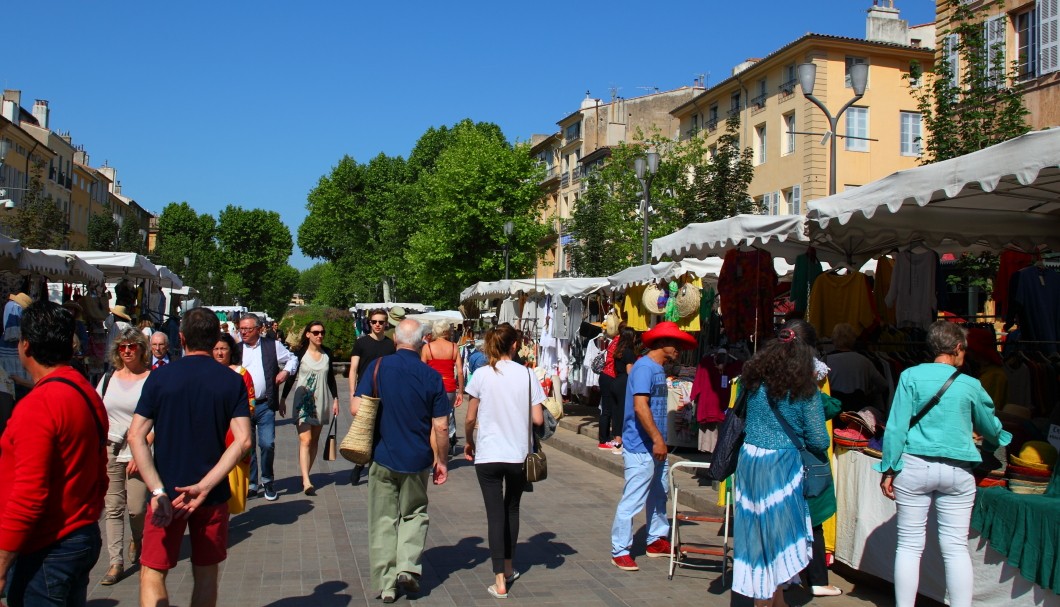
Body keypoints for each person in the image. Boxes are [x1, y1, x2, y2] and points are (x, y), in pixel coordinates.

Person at [877, 321, 1010, 607]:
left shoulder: (910, 376)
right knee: (955, 548)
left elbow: (896, 428)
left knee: (909, 546)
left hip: (913, 468)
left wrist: (889, 468)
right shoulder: (971, 384)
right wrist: (995, 440)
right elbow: (992, 430)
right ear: (958, 348)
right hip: (957, 471)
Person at [128, 307, 252, 607]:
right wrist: (207, 484)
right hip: (210, 495)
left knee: (152, 571)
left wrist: (156, 489)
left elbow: (136, 436)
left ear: (181, 338)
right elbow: (244, 440)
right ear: (215, 341)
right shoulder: (230, 380)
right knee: (206, 573)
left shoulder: (160, 378)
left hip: (167, 493)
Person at [0, 301, 108, 606]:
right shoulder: (84, 391)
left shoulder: (40, 404)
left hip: (48, 546)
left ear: (26, 346)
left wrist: (2, 562)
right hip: (78, 535)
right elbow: (100, 470)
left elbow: (29, 493)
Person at [732, 325, 831, 606]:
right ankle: (768, 600)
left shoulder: (750, 381)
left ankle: (771, 597)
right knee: (779, 535)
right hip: (782, 464)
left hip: (750, 459)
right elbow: (818, 438)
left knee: (756, 533)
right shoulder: (804, 389)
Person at [354, 319, 448, 603]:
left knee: (383, 519)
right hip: (417, 458)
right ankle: (407, 566)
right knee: (415, 512)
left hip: (383, 455)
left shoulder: (378, 366)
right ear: (422, 342)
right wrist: (441, 460)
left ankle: (386, 584)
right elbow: (441, 426)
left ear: (396, 339)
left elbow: (357, 407)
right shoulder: (431, 376)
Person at [464, 323, 546, 599]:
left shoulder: (481, 374)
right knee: (512, 509)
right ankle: (509, 568)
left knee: (494, 514)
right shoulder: (526, 374)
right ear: (514, 345)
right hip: (518, 455)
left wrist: (469, 441)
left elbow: (470, 417)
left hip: (488, 454)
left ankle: (499, 578)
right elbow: (537, 419)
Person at [610, 321, 696, 572]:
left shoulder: (657, 369)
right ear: (662, 344)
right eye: (676, 343)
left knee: (659, 494)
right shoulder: (644, 368)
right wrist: (658, 439)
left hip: (655, 444)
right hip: (641, 446)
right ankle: (620, 549)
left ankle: (656, 539)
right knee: (634, 498)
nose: (679, 348)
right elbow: (640, 406)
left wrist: (659, 440)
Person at [98, 326, 152, 586]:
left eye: (132, 347)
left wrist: (141, 450)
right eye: (123, 347)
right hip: (110, 446)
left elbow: (160, 420)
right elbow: (98, 411)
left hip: (138, 447)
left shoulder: (151, 379)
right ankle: (115, 562)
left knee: (136, 508)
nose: (127, 351)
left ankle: (138, 539)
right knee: (113, 507)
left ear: (143, 350)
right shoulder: (109, 378)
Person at [239, 313, 298, 501]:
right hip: (242, 406)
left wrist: (286, 372)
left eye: (248, 329)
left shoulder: (272, 346)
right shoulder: (236, 348)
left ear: (258, 329)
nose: (244, 332)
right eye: (241, 329)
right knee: (248, 446)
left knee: (267, 443)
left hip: (265, 403)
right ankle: (252, 482)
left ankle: (268, 479)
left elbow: (293, 359)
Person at [281, 320, 339, 495]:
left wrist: (336, 398)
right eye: (315, 332)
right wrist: (283, 398)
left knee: (314, 440)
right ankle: (306, 481)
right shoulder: (299, 355)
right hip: (303, 402)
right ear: (308, 334)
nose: (319, 335)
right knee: (305, 440)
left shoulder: (327, 353)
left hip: (322, 400)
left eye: (322, 332)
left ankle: (306, 473)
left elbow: (331, 379)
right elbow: (291, 377)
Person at [349, 308, 396, 484]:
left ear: (386, 324)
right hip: (365, 392)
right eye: (374, 322)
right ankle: (359, 465)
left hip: (385, 393)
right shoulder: (361, 343)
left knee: (382, 429)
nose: (377, 325)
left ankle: (377, 466)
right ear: (369, 323)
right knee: (364, 430)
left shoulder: (391, 345)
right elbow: (353, 369)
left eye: (381, 322)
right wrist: (354, 393)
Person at [212, 333, 257, 515]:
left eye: (223, 348)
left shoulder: (241, 374)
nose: (219, 353)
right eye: (216, 349)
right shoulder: (207, 372)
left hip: (233, 435)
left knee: (232, 484)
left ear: (231, 351)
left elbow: (250, 404)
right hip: (211, 434)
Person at [825, 322, 889, 412]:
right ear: (853, 339)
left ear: (834, 339)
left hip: (834, 412)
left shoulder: (825, 361)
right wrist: (870, 392)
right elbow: (883, 385)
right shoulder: (864, 361)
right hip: (858, 412)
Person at [422, 320, 463, 455]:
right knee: (444, 424)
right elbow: (460, 371)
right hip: (449, 388)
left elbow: (421, 371)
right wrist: (461, 392)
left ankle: (434, 458)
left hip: (431, 388)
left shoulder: (427, 348)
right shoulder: (453, 347)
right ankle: (443, 458)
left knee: (433, 425)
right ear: (446, 331)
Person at [598, 326, 637, 453]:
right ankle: (618, 442)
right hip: (622, 382)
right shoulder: (629, 352)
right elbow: (629, 371)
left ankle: (615, 439)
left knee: (614, 412)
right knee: (620, 412)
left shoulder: (617, 350)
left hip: (615, 382)